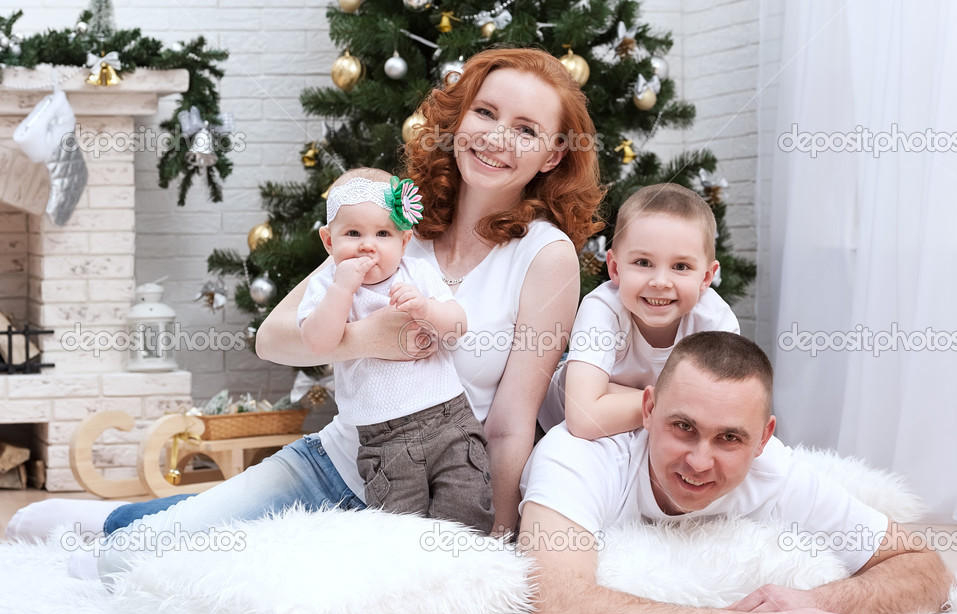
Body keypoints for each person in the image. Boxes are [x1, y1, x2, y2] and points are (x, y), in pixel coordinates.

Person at [5, 46, 602, 554]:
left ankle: (151, 520)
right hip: (336, 461)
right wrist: (368, 339)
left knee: (253, 567)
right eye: (485, 112)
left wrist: (496, 536)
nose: (497, 137)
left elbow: (509, 422)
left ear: (553, 154)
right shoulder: (393, 215)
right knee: (159, 552)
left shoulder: (543, 258)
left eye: (525, 129)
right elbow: (273, 337)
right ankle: (106, 522)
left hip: (436, 493)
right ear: (458, 120)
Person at [520, 331, 952, 614]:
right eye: (683, 427)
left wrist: (811, 602)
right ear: (648, 410)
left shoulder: (776, 471)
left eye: (729, 438)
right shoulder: (578, 455)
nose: (700, 462)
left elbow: (924, 569)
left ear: (763, 439)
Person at [298, 168, 491, 533]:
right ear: (328, 241)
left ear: (403, 241)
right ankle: (410, 586)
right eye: (353, 233)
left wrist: (426, 310)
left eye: (383, 233)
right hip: (384, 438)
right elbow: (317, 343)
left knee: (467, 513)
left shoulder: (416, 274)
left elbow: (458, 326)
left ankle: (467, 580)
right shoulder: (327, 286)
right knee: (397, 529)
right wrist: (342, 290)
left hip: (449, 420)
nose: (368, 245)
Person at [537, 182, 739, 439]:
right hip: (559, 426)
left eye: (681, 266)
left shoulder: (715, 319)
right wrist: (680, 404)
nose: (660, 282)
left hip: (649, 424)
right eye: (643, 262)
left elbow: (721, 407)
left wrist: (609, 396)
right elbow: (583, 418)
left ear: (706, 277)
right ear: (615, 268)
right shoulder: (603, 308)